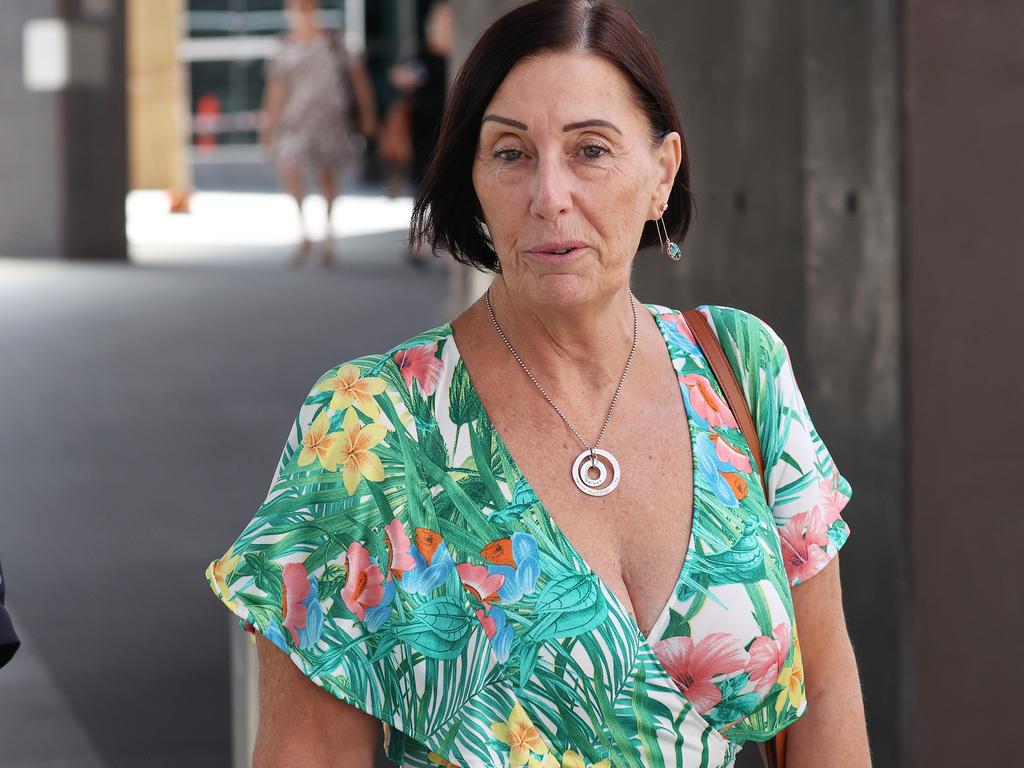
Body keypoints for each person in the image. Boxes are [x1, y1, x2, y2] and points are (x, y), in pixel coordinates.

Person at [207, 1, 871, 766]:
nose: (549, 195)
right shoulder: (369, 426)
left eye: (590, 150)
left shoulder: (741, 368)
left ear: (662, 174)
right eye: (512, 153)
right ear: (475, 179)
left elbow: (822, 689)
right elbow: (309, 755)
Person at [260, 0, 378, 268]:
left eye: (306, 5)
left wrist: (368, 116)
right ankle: (304, 231)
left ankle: (326, 232)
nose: (301, 11)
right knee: (289, 167)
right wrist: (268, 126)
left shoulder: (337, 41)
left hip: (330, 121)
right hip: (294, 121)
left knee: (326, 174)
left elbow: (359, 82)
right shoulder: (283, 46)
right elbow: (276, 89)